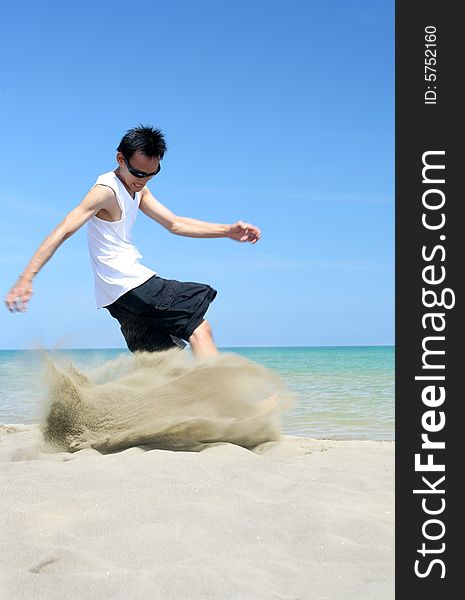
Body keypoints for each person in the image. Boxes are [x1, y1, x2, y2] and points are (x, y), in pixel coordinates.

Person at [4, 125, 261, 359]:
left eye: (151, 174)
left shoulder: (138, 188)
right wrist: (26, 278)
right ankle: (227, 402)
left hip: (117, 298)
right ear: (120, 159)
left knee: (164, 362)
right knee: (199, 327)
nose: (143, 180)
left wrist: (227, 230)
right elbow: (62, 230)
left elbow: (174, 223)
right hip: (130, 283)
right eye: (138, 172)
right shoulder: (105, 191)